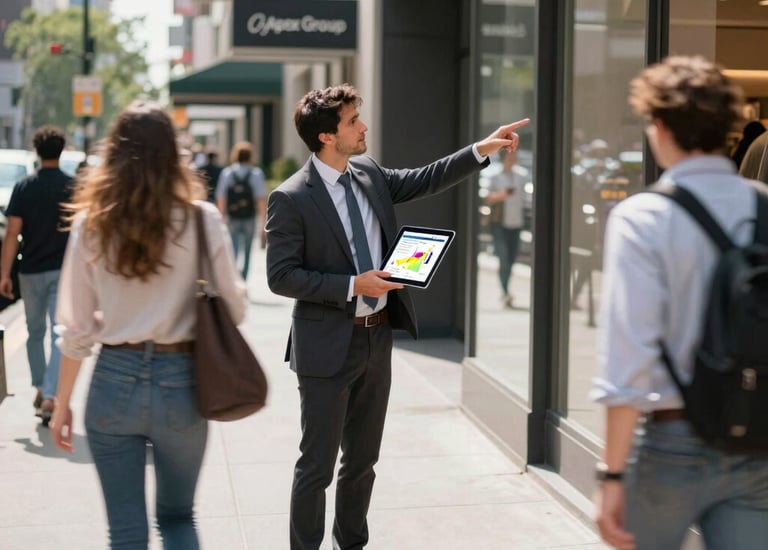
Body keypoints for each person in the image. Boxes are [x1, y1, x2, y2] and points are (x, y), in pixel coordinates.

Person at [266, 82, 529, 550]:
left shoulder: (367, 173)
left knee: (363, 462)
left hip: (376, 339)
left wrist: (482, 149)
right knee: (317, 467)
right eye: (352, 122)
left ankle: (352, 544)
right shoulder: (292, 197)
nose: (363, 126)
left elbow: (426, 177)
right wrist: (353, 285)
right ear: (327, 136)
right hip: (326, 347)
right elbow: (281, 276)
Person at [50, 101, 247, 549]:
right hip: (182, 383)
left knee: (126, 532)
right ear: (173, 154)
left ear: (114, 154)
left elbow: (76, 329)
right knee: (178, 519)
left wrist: (62, 402)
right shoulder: (202, 219)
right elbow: (233, 310)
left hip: (113, 380)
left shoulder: (91, 223)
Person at [591, 56, 768, 550]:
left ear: (662, 126)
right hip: (757, 441)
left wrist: (611, 476)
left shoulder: (642, 217)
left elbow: (628, 359)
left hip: (672, 444)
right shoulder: (763, 205)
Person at [0, 125, 74, 424]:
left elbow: (12, 234)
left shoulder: (24, 187)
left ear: (36, 151)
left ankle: (41, 385)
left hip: (30, 270)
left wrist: (5, 273)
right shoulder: (73, 187)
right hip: (64, 270)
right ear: (62, 150)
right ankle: (51, 395)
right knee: (59, 333)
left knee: (34, 332)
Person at [215, 141, 267, 280]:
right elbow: (261, 198)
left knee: (233, 249)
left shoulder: (228, 173)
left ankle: (234, 278)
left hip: (232, 216)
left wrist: (221, 216)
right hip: (250, 216)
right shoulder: (256, 173)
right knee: (249, 250)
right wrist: (263, 221)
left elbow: (221, 196)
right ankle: (243, 278)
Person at [485, 148, 525, 308]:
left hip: (517, 223)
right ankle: (505, 291)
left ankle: (506, 289)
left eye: (514, 156)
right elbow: (488, 198)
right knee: (504, 259)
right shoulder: (495, 176)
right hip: (499, 224)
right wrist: (502, 195)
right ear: (503, 158)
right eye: (509, 156)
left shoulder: (521, 176)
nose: (512, 158)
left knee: (512, 259)